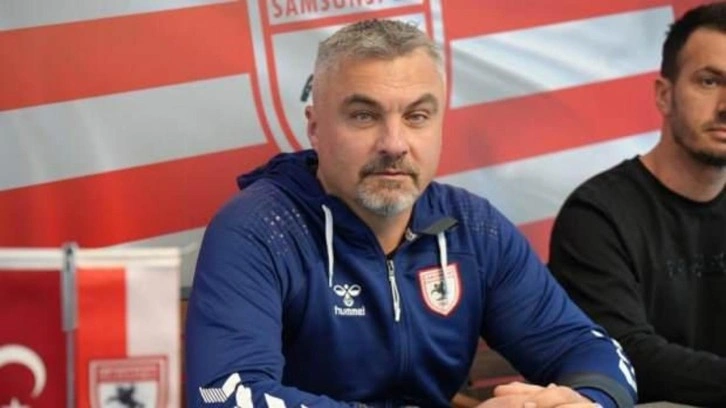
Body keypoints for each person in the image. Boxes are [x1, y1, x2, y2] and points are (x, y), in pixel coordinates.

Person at [185, 19, 637, 408]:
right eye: (364, 116)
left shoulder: (473, 228)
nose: (394, 144)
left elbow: (590, 350)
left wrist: (585, 401)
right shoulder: (260, 228)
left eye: (417, 116)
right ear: (315, 127)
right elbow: (224, 394)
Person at [548, 2, 726, 405]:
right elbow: (628, 356)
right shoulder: (596, 216)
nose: (724, 105)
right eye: (709, 81)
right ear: (664, 95)